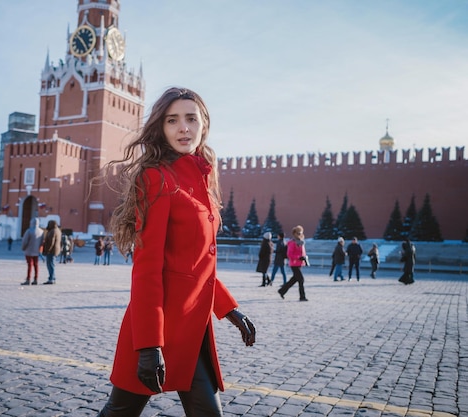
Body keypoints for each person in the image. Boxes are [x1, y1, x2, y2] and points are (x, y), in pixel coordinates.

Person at [97, 87, 256, 417]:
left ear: (204, 124)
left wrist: (230, 310)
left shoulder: (201, 181)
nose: (183, 128)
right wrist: (148, 345)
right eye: (173, 120)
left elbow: (197, 266)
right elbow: (147, 269)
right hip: (156, 329)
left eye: (191, 119)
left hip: (191, 331)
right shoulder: (156, 178)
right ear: (161, 128)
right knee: (120, 412)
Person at [278, 225, 308, 301]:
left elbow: (302, 252)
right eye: (298, 233)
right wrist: (298, 257)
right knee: (301, 279)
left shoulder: (301, 242)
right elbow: (289, 254)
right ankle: (302, 296)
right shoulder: (292, 242)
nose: (299, 234)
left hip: (299, 263)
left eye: (300, 233)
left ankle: (282, 291)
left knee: (294, 279)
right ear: (294, 233)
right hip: (294, 263)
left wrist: (304, 258)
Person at [20, 218, 44, 285]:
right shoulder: (41, 232)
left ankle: (28, 279)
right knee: (36, 265)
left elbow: (25, 241)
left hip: (29, 251)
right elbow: (42, 242)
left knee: (29, 265)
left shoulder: (29, 231)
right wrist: (40, 250)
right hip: (36, 251)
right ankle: (36, 279)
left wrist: (23, 248)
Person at [42, 220, 62, 285]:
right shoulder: (58, 230)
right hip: (56, 250)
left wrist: (47, 250)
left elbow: (51, 242)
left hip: (52, 251)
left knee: (50, 265)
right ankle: (52, 278)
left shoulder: (53, 231)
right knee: (52, 264)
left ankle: (52, 278)